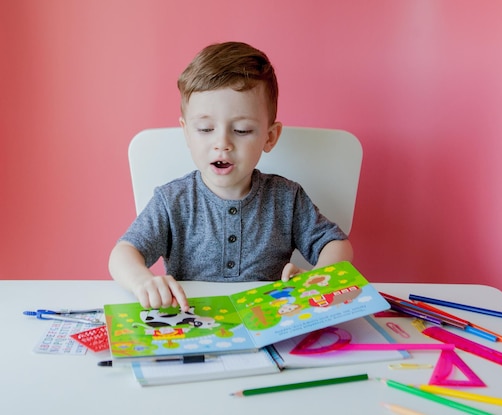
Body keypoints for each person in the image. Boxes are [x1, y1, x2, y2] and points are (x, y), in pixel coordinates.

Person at [108, 42, 353, 312]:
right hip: (192, 323)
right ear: (187, 132)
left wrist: (317, 278)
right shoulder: (172, 201)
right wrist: (142, 281)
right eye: (205, 128)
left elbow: (337, 245)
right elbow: (122, 255)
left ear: (269, 137)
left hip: (269, 323)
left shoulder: (286, 198)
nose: (222, 143)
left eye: (241, 130)